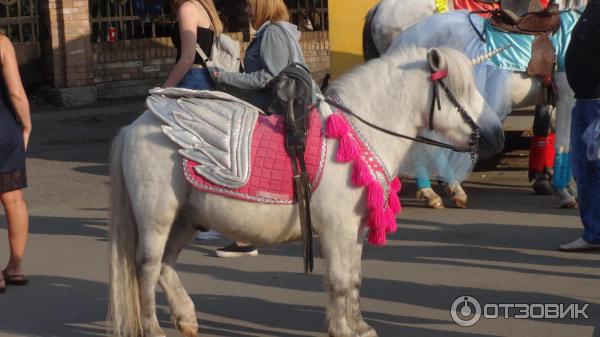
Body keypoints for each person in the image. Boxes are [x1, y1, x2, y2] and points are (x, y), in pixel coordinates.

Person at [211, 0, 310, 257]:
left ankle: (248, 239)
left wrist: (225, 77)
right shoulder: (279, 29)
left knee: (248, 171)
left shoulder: (273, 32)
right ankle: (248, 237)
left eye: (249, 5)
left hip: (273, 114)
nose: (245, 11)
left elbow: (269, 76)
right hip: (279, 113)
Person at [165, 0, 225, 242]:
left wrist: (164, 88)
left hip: (192, 82)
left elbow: (188, 57)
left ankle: (206, 218)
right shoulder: (204, 7)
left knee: (188, 151)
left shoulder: (187, 9)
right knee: (202, 152)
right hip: (204, 81)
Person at [559, 0, 600, 252]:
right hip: (584, 101)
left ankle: (595, 232)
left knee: (595, 169)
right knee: (584, 170)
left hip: (597, 104)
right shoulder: (592, 7)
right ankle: (593, 232)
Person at [0, 32, 32, 292]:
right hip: (3, 128)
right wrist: (27, 123)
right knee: (13, 198)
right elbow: (16, 92)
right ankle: (16, 267)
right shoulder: (1, 42)